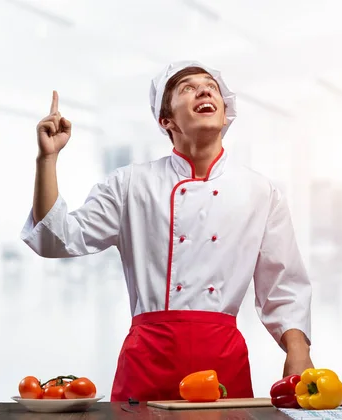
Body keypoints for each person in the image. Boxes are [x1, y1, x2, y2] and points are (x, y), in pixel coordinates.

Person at [20, 60, 314, 402]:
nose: (205, 89)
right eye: (188, 87)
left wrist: (298, 351)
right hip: (147, 360)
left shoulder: (260, 191)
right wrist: (47, 160)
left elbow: (284, 283)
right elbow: (55, 238)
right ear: (167, 121)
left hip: (222, 362)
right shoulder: (130, 184)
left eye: (211, 86)